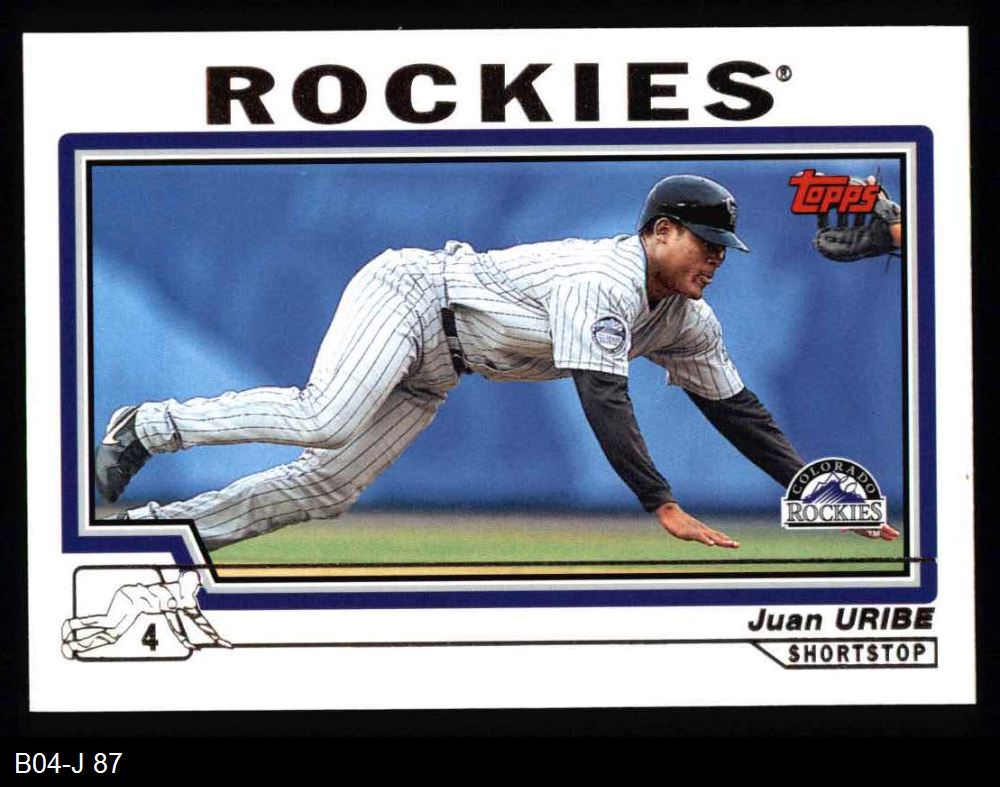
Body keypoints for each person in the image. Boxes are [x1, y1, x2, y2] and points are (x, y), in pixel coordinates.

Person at [95, 174, 899, 551]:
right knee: (325, 417)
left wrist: (814, 488)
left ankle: (154, 538)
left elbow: (738, 411)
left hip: (446, 362)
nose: (716, 258)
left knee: (328, 486)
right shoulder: (604, 279)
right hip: (412, 295)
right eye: (704, 241)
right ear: (658, 232)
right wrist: (661, 500)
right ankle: (148, 425)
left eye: (724, 248)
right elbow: (603, 396)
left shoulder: (689, 319)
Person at [61, 570, 232, 658]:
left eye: (195, 586)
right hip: (129, 596)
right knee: (110, 622)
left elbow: (199, 620)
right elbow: (173, 620)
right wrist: (184, 641)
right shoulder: (170, 595)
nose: (194, 588)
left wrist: (217, 639)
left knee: (112, 636)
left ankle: (73, 646)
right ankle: (71, 625)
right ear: (183, 583)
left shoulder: (188, 600)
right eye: (192, 585)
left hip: (137, 606)